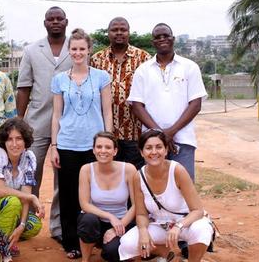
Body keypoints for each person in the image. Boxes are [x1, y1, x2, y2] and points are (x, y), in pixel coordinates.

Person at [50, 28, 113, 259]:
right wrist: (54, 146)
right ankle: (71, 242)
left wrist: (108, 141)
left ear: (89, 50)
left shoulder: (101, 77)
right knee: (67, 196)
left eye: (82, 49)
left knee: (94, 194)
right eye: (74, 49)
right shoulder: (59, 80)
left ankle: (94, 237)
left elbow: (107, 111)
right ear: (69, 51)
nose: (78, 53)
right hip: (67, 145)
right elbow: (56, 115)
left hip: (94, 146)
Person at [16, 6, 71, 241]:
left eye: (60, 18)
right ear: (45, 22)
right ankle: (25, 224)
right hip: (37, 122)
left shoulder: (77, 48)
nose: (56, 22)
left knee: (63, 178)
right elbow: (24, 87)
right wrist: (19, 121)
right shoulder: (31, 50)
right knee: (30, 175)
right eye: (51, 19)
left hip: (68, 124)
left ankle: (58, 228)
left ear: (66, 22)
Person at [118, 129, 213, 261]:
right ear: (141, 152)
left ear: (166, 150)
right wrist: (143, 232)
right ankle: (166, 254)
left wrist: (178, 227)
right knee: (127, 244)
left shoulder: (177, 170)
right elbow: (141, 214)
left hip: (185, 223)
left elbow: (198, 210)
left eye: (159, 147)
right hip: (159, 224)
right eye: (148, 148)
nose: (154, 152)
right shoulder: (138, 177)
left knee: (201, 230)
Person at [127, 23, 207, 180]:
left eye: (166, 36)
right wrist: (160, 135)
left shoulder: (190, 67)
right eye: (158, 37)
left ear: (173, 39)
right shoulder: (143, 70)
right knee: (155, 188)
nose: (162, 39)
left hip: (182, 140)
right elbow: (137, 106)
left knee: (184, 188)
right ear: (153, 42)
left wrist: (170, 132)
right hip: (152, 144)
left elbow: (196, 104)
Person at [0, 117, 45, 262]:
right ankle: (3, 254)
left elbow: (26, 195)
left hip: (11, 209)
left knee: (34, 225)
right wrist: (32, 198)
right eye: (10, 139)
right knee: (12, 202)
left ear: (26, 141)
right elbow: (0, 191)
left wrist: (22, 225)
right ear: (4, 141)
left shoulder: (29, 157)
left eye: (19, 139)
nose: (15, 144)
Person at [90, 17, 151, 169]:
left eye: (123, 30)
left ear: (128, 33)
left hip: (134, 133)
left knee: (134, 179)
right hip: (105, 134)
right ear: (108, 33)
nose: (119, 33)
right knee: (109, 178)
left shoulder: (143, 58)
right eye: (114, 30)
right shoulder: (96, 60)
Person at [77, 132, 136, 262]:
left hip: (121, 222)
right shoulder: (86, 170)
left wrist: (118, 226)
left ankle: (119, 248)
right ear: (93, 150)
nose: (103, 151)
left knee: (112, 253)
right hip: (95, 221)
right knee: (88, 220)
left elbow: (137, 204)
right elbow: (84, 204)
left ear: (115, 151)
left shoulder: (129, 169)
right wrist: (110, 216)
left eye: (108, 147)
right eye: (99, 147)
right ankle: (85, 259)